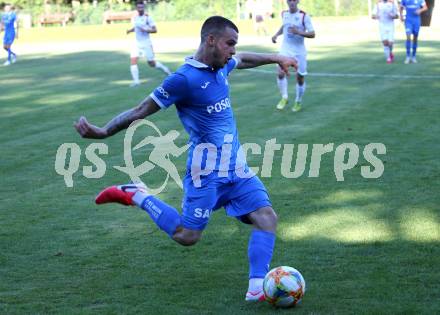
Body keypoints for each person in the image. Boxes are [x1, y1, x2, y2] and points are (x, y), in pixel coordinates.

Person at [75, 16, 297, 302]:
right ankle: (137, 194)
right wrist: (104, 131)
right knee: (187, 236)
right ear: (211, 40)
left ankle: (256, 288)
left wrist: (275, 57)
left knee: (267, 218)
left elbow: (241, 60)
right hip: (204, 172)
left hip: (236, 168)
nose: (232, 50)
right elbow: (141, 109)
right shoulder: (184, 79)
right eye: (229, 43)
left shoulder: (221, 66)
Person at [272, 0, 315, 112]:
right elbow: (284, 26)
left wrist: (299, 32)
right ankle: (284, 97)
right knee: (280, 73)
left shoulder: (304, 16)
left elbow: (312, 33)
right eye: (289, 0)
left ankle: (298, 101)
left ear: (298, 1)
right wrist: (276, 34)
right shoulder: (284, 14)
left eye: (294, 0)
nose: (291, 2)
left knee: (300, 77)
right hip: (285, 49)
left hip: (299, 51)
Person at [126, 1, 171, 87]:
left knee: (151, 63)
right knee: (133, 60)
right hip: (137, 43)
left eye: (142, 7)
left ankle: (165, 69)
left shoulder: (148, 18)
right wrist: (130, 30)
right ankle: (136, 82)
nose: (140, 9)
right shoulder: (134, 18)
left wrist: (147, 30)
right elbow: (136, 28)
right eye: (139, 7)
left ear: (144, 7)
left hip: (146, 43)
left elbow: (155, 30)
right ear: (136, 8)